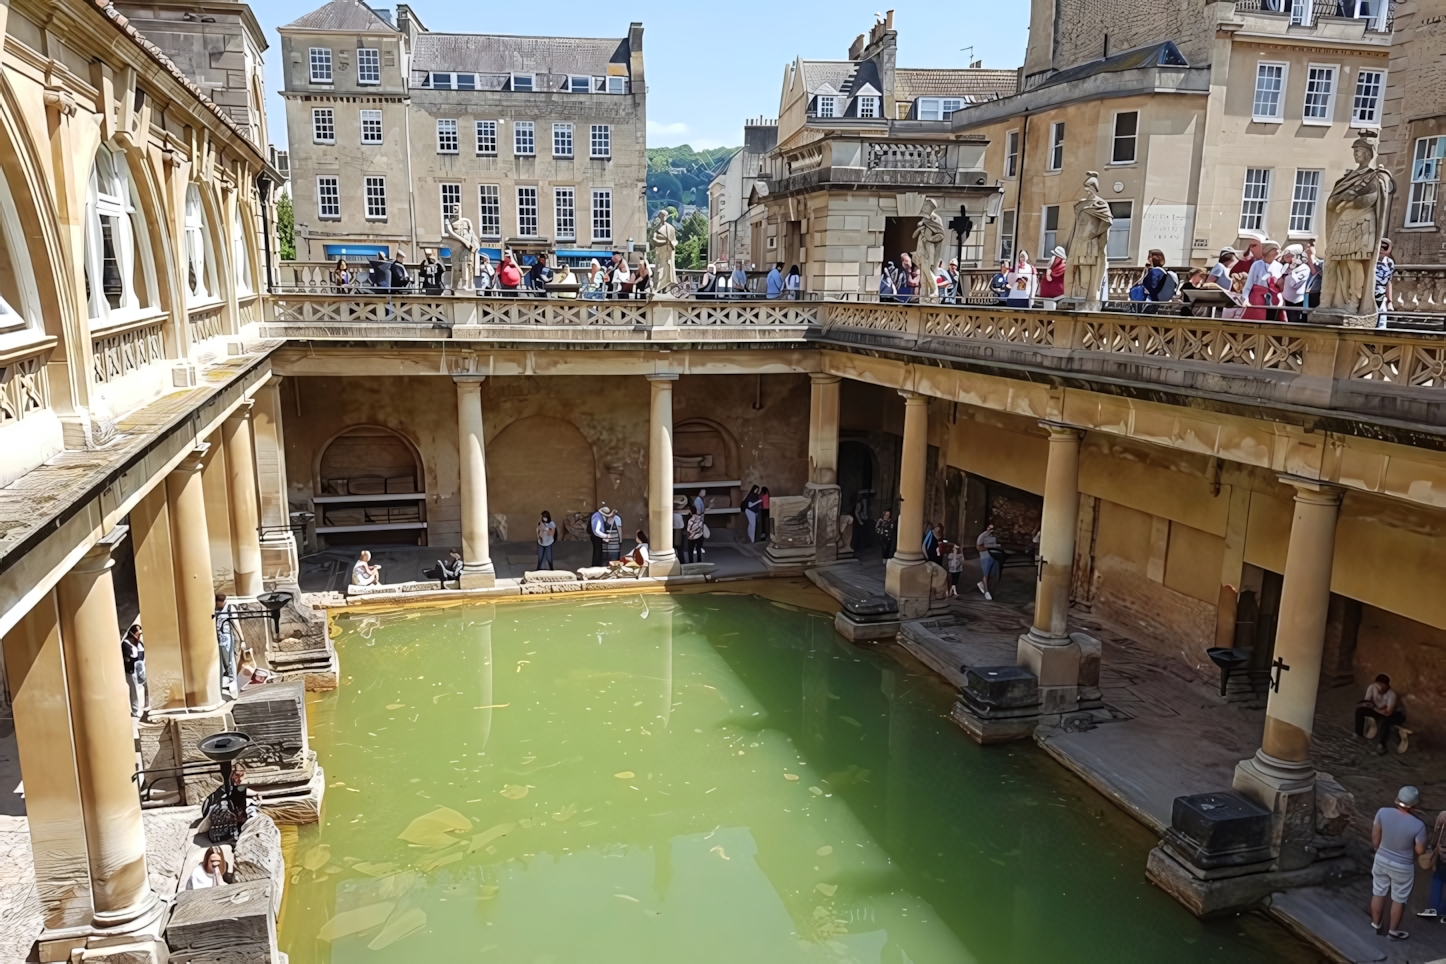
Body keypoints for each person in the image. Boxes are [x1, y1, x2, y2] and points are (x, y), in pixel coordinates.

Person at [1370, 786, 1427, 940]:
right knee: (1399, 898)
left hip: (1381, 858)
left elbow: (1376, 834)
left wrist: (1377, 849)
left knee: (1378, 891)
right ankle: (1392, 932)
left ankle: (1376, 924)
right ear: (1415, 804)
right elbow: (1421, 850)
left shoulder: (1382, 812)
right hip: (1403, 866)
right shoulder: (1418, 825)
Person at [202, 765, 257, 844]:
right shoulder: (224, 792)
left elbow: (239, 794)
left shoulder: (238, 788)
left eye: (242, 775)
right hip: (222, 829)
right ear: (231, 775)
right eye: (237, 775)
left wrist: (256, 793)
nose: (240, 779)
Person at [1357, 674, 1406, 753]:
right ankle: (1359, 733)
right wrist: (1368, 706)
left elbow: (1387, 713)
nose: (1380, 688)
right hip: (1379, 709)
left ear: (1387, 686)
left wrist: (1373, 708)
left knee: (1386, 723)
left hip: (1393, 712)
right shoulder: (1372, 687)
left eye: (1383, 686)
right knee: (1360, 711)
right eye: (1378, 685)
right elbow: (1366, 702)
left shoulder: (1392, 694)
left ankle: (1381, 744)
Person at [1241, 241, 1281, 321]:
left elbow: (1281, 287)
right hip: (1257, 299)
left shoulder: (1279, 266)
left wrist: (1280, 299)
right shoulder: (1257, 264)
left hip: (1274, 300)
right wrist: (1245, 299)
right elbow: (1248, 285)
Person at [214, 593, 238, 696]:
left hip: (226, 638)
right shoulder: (212, 608)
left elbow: (236, 624)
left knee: (229, 661)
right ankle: (221, 684)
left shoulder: (229, 608)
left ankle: (233, 682)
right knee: (219, 662)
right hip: (216, 639)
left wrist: (242, 639)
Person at [121, 623, 146, 718]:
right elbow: (132, 656)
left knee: (141, 690)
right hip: (131, 671)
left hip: (140, 671)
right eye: (137, 634)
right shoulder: (126, 644)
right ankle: (135, 710)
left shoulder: (139, 644)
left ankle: (142, 708)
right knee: (134, 691)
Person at [1280, 245, 1311, 321]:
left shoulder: (1304, 268)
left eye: (1288, 256)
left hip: (1297, 302)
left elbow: (1293, 284)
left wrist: (1292, 270)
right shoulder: (1286, 267)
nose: (1285, 258)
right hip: (1284, 300)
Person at [976, 523, 1001, 600]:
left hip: (993, 556)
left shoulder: (993, 536)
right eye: (989, 528)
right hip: (985, 556)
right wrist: (988, 548)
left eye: (992, 529)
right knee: (986, 574)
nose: (991, 530)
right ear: (987, 528)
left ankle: (987, 587)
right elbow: (978, 546)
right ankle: (986, 591)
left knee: (992, 574)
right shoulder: (982, 536)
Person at [1376, 237, 1395, 326]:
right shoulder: (1371, 261)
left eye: (1385, 247)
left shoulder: (1389, 263)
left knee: (1382, 321)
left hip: (1382, 294)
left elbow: (1388, 281)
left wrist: (1389, 301)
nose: (1382, 249)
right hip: (1369, 294)